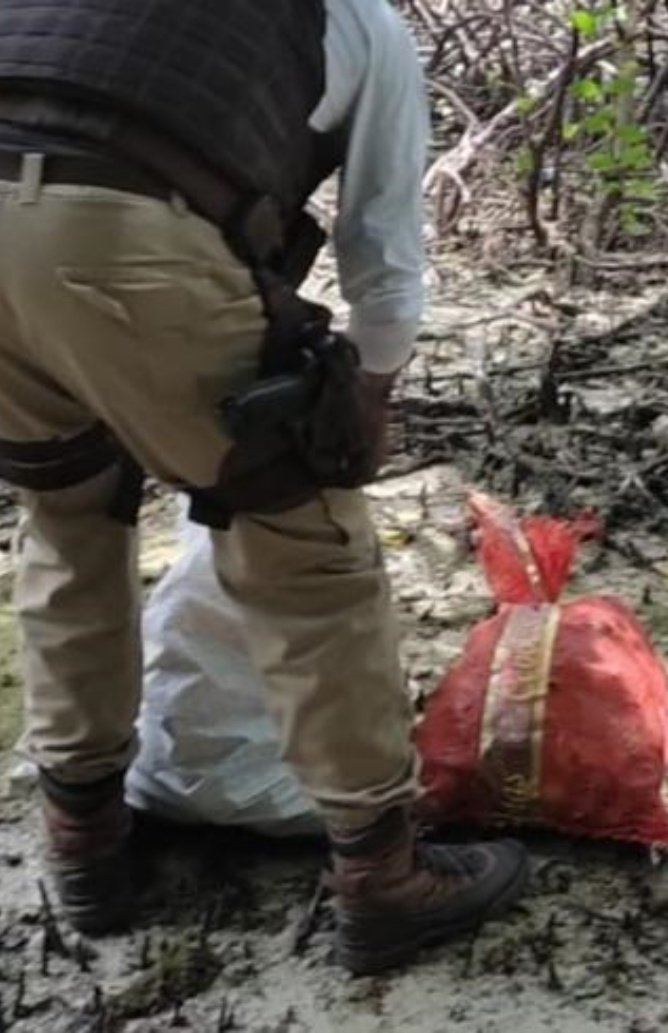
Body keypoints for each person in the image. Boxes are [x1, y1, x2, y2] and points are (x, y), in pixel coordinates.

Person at [0, 0, 528, 975]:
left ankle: (83, 841)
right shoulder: (357, 22)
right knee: (304, 546)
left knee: (68, 513)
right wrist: (362, 399)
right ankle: (382, 874)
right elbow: (385, 253)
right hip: (120, 242)